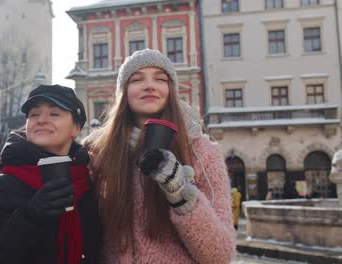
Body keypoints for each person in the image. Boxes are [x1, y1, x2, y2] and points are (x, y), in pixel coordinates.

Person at [84, 49, 236, 263]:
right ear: (124, 93)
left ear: (171, 90)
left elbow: (220, 255)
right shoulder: (98, 152)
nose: (149, 85)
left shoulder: (202, 152)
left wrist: (182, 197)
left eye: (160, 79)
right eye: (136, 79)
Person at [0, 84, 101, 264]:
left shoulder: (90, 184)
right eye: (34, 115)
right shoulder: (0, 188)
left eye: (54, 114)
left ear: (76, 128)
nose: (41, 120)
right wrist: (30, 217)